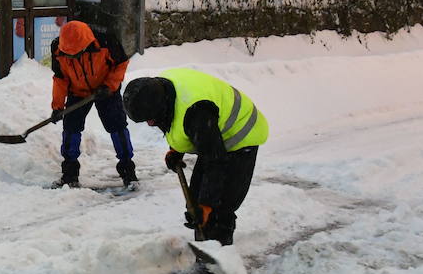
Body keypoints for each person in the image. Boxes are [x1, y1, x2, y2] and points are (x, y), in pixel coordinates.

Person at [122, 69, 268, 245]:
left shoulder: (197, 112)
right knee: (195, 204)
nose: (150, 123)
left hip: (240, 135)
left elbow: (215, 160)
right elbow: (177, 121)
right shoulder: (162, 91)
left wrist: (207, 205)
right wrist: (176, 150)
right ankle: (205, 243)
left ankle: (218, 258)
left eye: (151, 118)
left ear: (161, 105)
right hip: (213, 135)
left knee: (217, 208)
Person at [48, 20, 136, 188]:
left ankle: (128, 172)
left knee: (117, 126)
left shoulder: (106, 42)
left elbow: (121, 64)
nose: (72, 57)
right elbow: (60, 79)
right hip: (77, 92)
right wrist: (57, 107)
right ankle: (69, 174)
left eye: (76, 54)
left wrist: (108, 86)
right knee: (71, 128)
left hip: (106, 90)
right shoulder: (57, 49)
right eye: (70, 55)